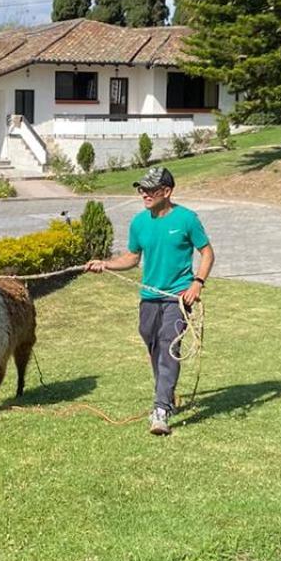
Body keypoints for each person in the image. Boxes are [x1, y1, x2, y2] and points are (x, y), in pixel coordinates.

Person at [85, 164, 214, 435]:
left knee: (169, 346)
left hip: (176, 297)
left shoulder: (187, 219)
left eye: (150, 189)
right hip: (149, 297)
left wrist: (197, 284)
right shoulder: (139, 222)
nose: (144, 194)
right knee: (152, 344)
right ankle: (166, 394)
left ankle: (161, 409)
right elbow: (132, 258)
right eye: (142, 189)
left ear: (167, 191)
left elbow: (207, 253)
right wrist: (105, 264)